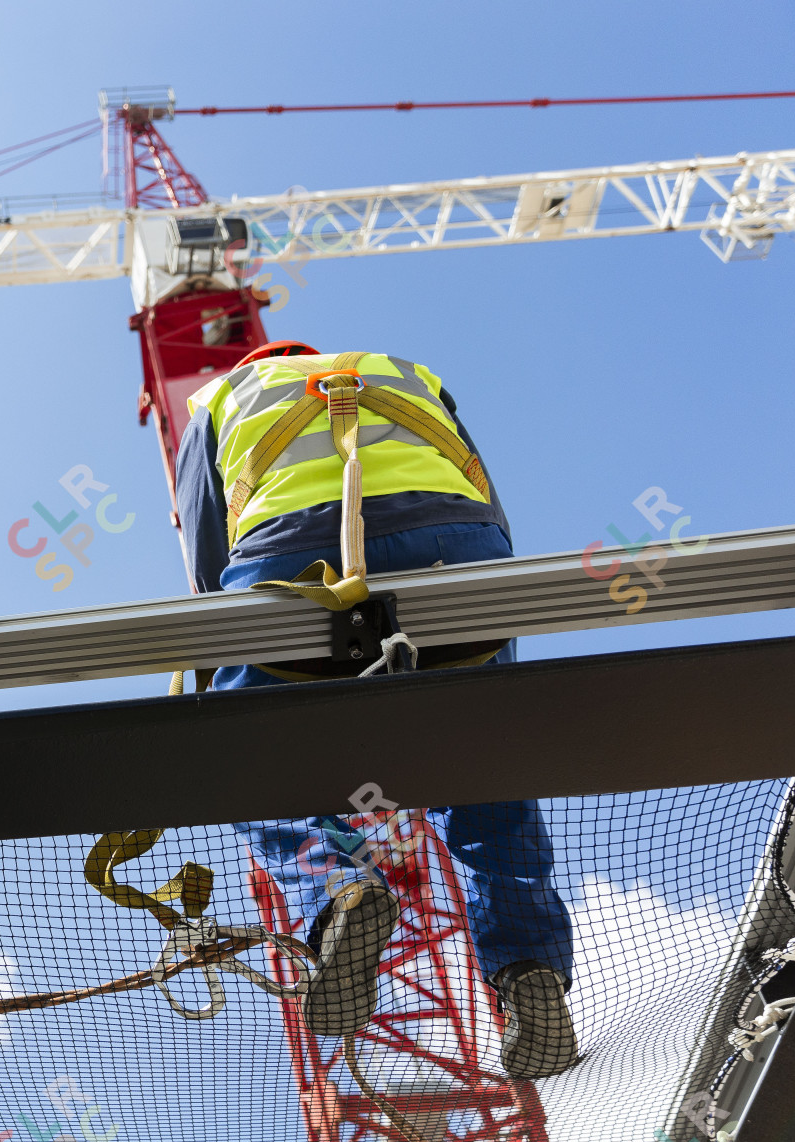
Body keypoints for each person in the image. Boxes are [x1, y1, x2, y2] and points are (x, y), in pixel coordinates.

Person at [174, 342, 578, 1080]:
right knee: (488, 772)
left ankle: (339, 890)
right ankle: (530, 972)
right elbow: (483, 487)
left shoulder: (218, 399)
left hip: (293, 548)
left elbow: (207, 554)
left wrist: (245, 656)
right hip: (463, 547)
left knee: (248, 759)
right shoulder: (409, 370)